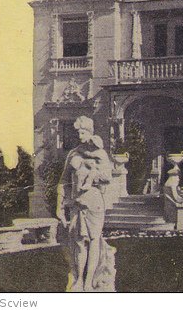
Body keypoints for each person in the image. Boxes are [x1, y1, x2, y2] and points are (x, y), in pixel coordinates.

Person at [56, 116, 114, 292]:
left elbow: (107, 177)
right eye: (78, 132)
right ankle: (79, 279)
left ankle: (89, 281)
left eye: (83, 132)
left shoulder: (100, 154)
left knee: (94, 241)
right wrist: (59, 205)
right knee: (80, 242)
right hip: (77, 203)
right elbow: (62, 181)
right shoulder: (73, 154)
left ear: (90, 132)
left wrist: (92, 173)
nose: (80, 135)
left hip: (95, 204)